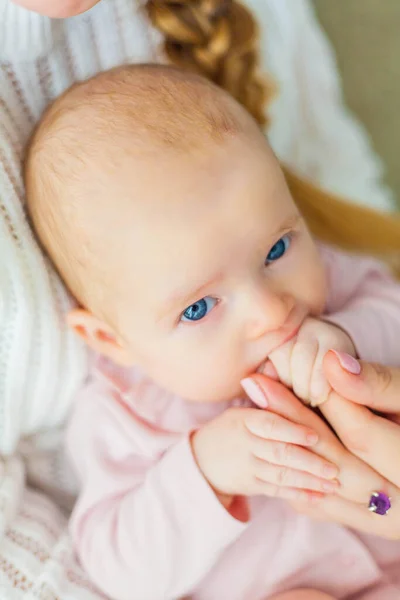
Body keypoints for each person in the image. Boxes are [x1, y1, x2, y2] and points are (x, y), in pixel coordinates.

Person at [2, 0, 400, 598]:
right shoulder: (123, 415)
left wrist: (349, 345)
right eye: (197, 309)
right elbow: (119, 568)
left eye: (276, 251)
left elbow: (390, 308)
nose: (271, 312)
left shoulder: (336, 290)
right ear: (112, 341)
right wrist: (205, 471)